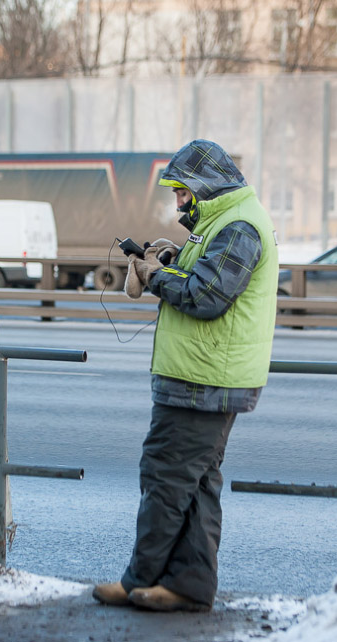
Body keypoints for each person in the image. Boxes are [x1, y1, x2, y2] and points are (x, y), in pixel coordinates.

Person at [93, 139, 279, 612]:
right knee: (195, 487)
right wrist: (173, 260)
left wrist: (155, 276)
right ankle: (189, 587)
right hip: (205, 378)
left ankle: (139, 580)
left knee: (165, 477)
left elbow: (206, 297)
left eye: (182, 192)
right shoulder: (221, 223)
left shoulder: (239, 227)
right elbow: (203, 276)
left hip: (205, 383)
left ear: (204, 187)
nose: (177, 201)